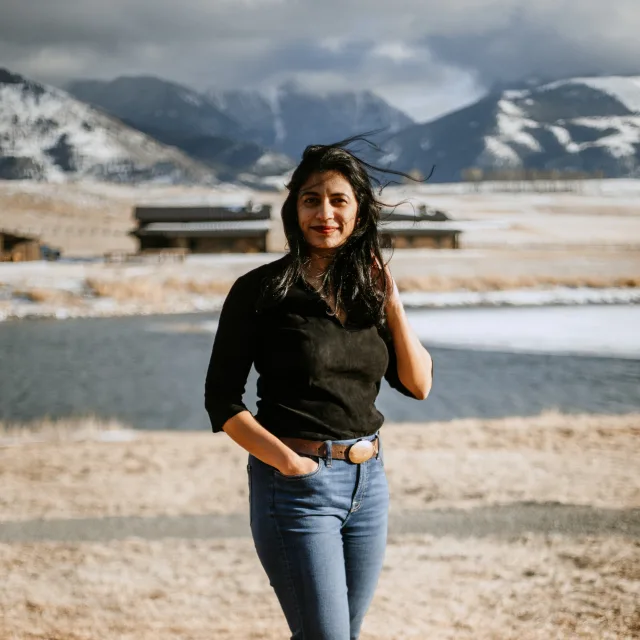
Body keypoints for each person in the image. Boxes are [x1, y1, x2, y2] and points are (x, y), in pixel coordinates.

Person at [204, 137, 434, 640]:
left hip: (369, 485)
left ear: (359, 212)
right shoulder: (261, 290)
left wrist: (392, 302)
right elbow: (222, 402)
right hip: (297, 488)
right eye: (311, 200)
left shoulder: (368, 293)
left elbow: (418, 385)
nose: (324, 213)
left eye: (338, 200)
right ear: (294, 209)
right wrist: (289, 464)